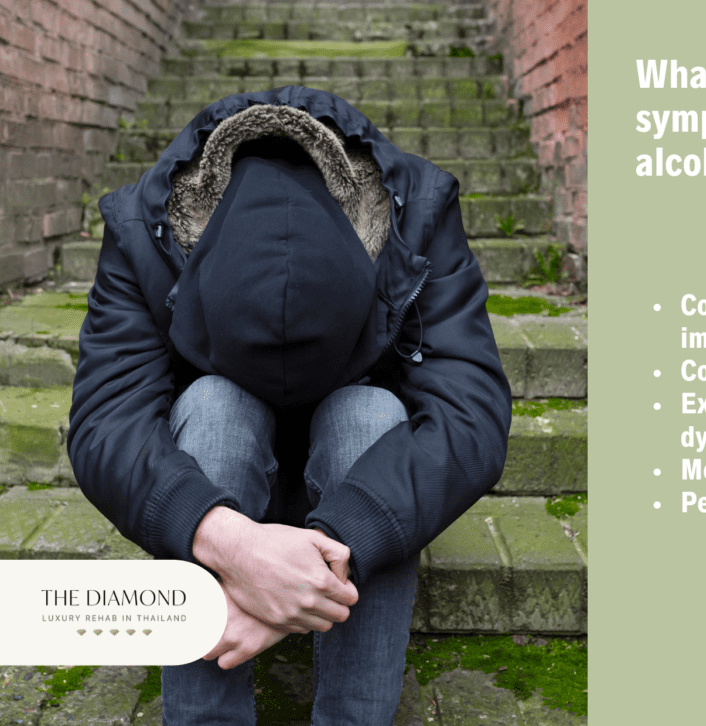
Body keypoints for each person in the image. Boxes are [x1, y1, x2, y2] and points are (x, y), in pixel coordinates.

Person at [68, 85, 512, 725]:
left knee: (370, 414)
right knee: (216, 404)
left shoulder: (416, 215)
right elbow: (106, 424)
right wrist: (227, 542)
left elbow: (470, 422)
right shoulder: (144, 228)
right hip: (222, 477)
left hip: (354, 478)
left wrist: (330, 549)